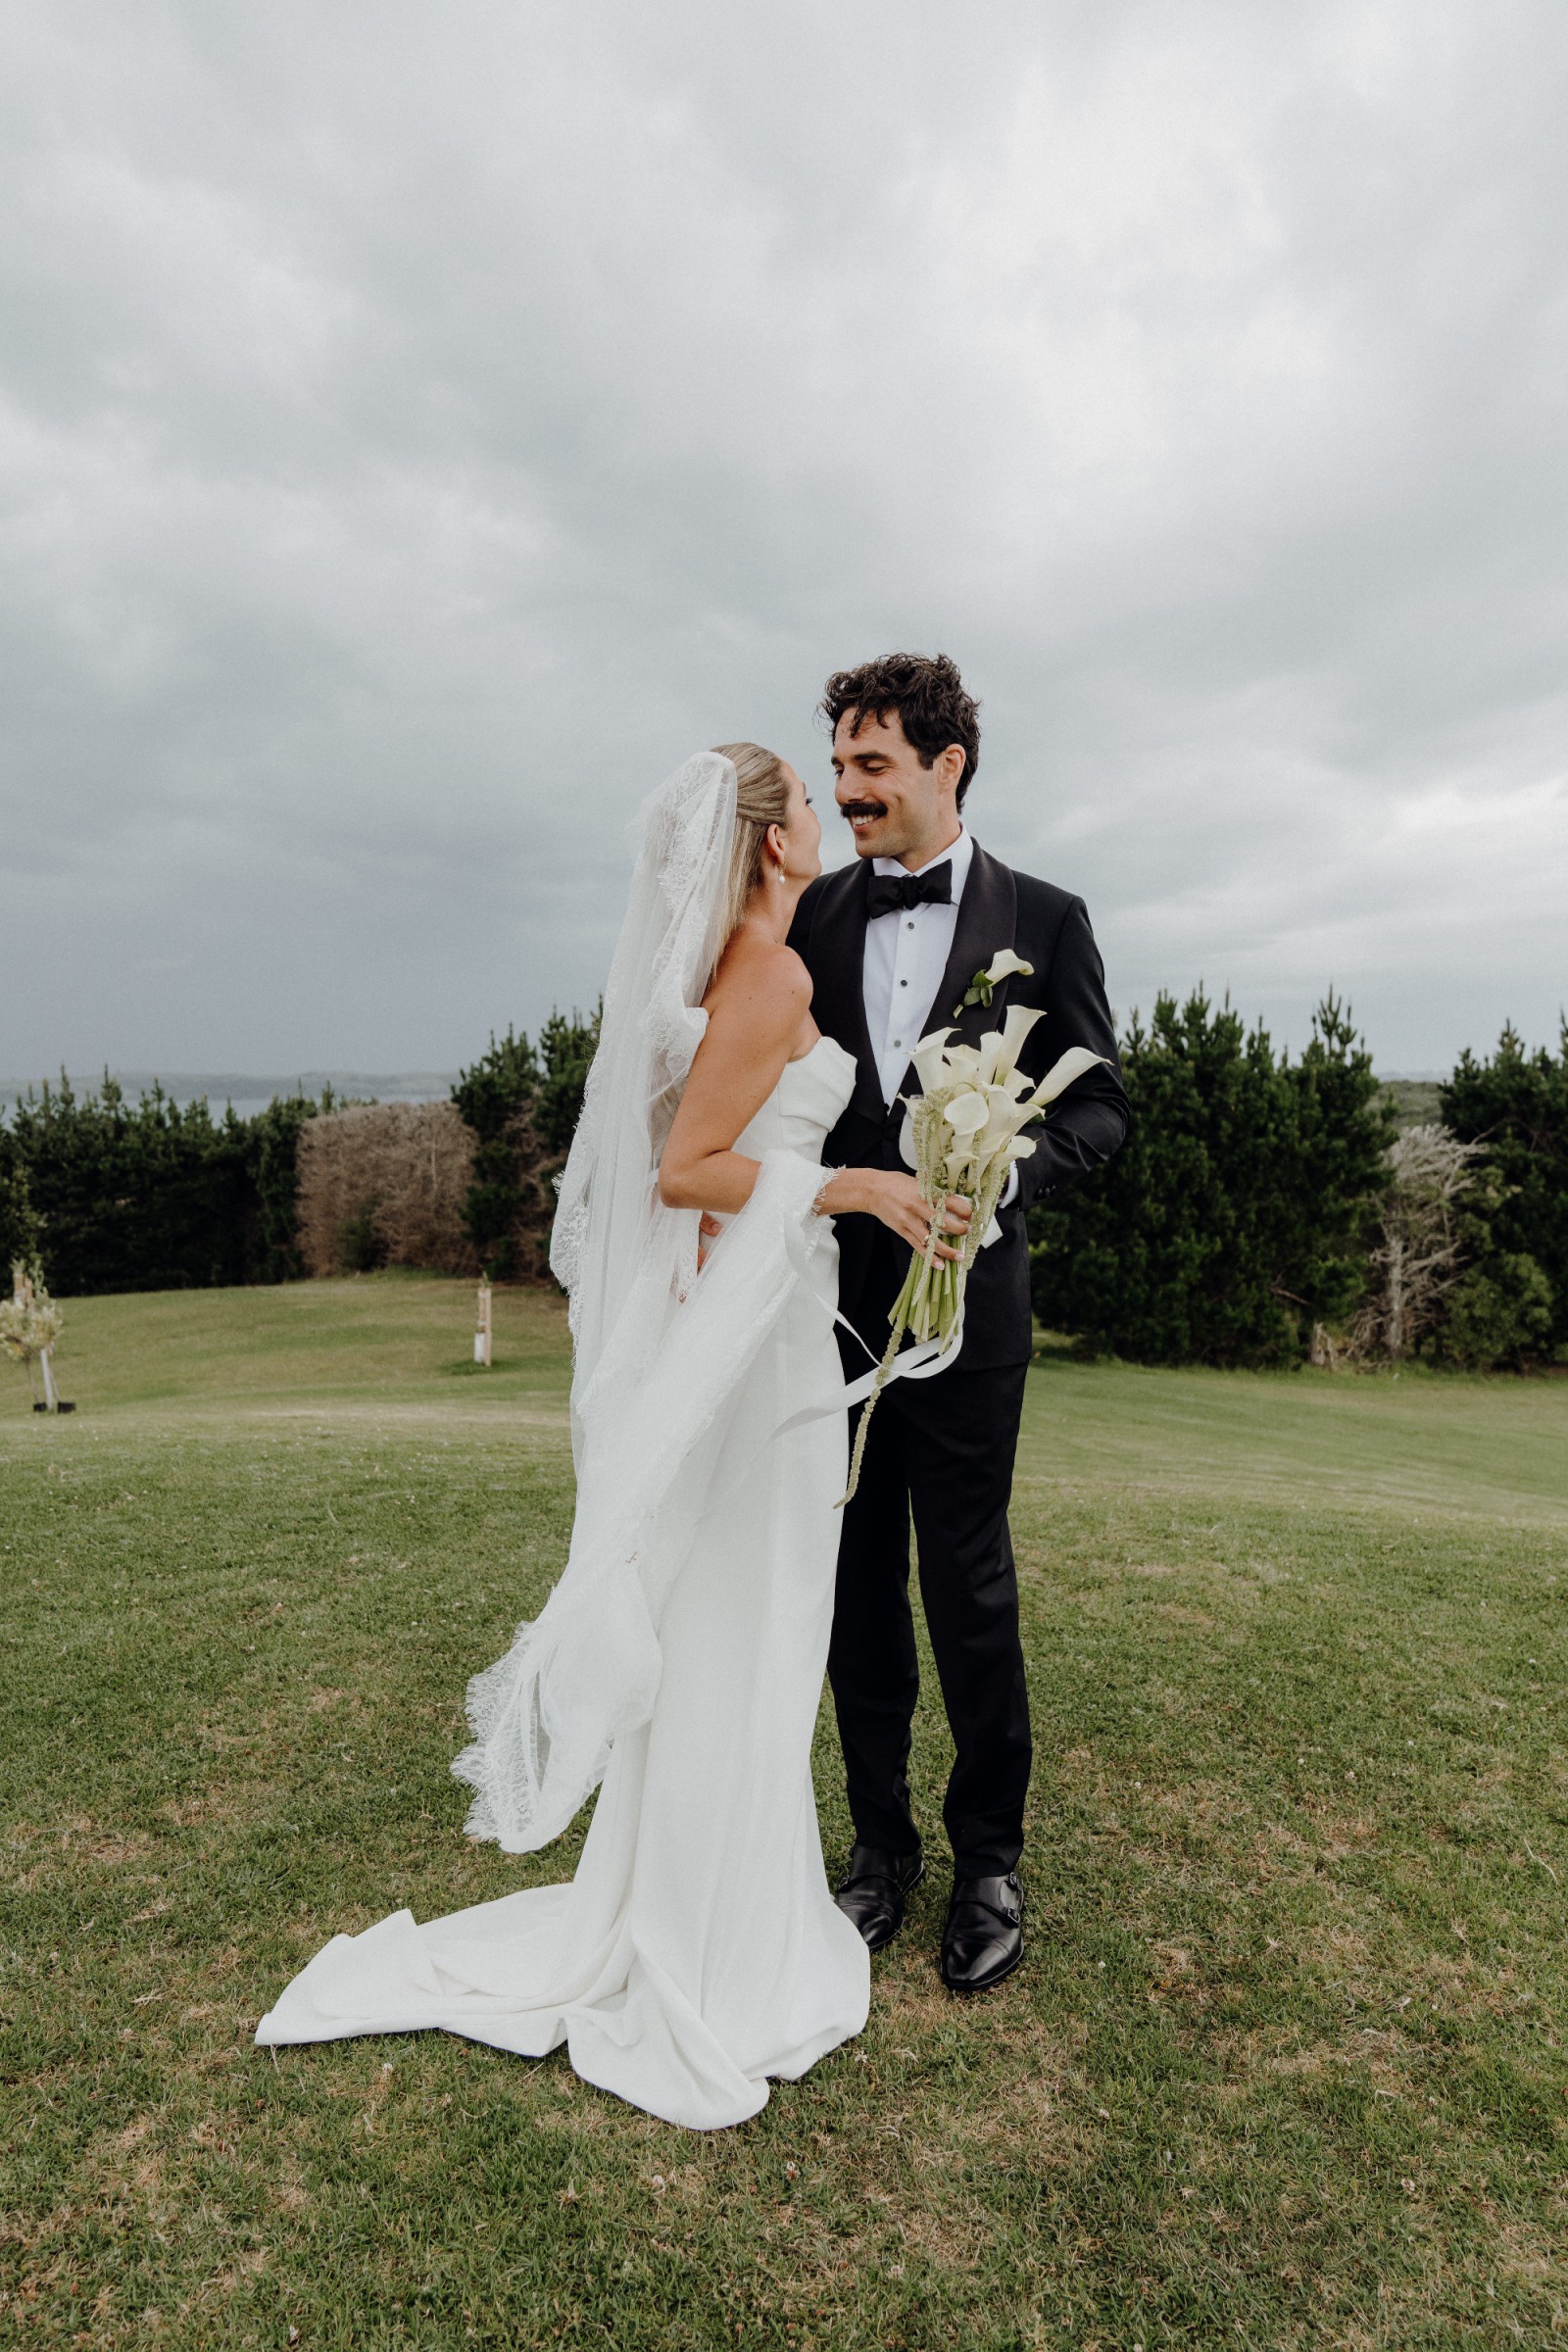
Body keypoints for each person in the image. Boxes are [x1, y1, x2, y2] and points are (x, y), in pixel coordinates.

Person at [256, 745, 970, 2131]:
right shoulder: (772, 976)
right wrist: (860, 1186)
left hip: (760, 1319)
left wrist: (768, 1210)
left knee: (738, 1622)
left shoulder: (717, 973)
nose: (823, 811)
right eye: (806, 798)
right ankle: (713, 1950)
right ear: (772, 845)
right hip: (764, 1346)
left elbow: (688, 1151)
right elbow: (687, 1168)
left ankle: (712, 1909)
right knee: (755, 1625)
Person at [789, 653, 1129, 1993]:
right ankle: (878, 1851)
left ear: (948, 766)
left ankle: (989, 1859)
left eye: (871, 764)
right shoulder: (811, 915)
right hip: (822, 1315)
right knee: (854, 1585)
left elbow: (1100, 1106)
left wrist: (1004, 1173)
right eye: (838, 764)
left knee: (968, 1585)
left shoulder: (1047, 917)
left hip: (972, 1317)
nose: (846, 789)